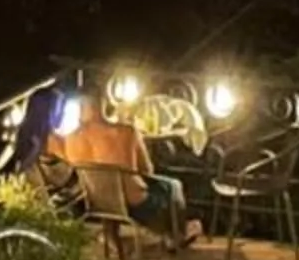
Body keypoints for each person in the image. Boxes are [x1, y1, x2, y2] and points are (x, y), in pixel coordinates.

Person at [57, 87, 198, 248]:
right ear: (102, 104)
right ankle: (177, 235)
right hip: (136, 206)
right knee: (174, 186)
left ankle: (111, 235)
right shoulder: (126, 132)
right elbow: (147, 170)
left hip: (96, 203)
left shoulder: (70, 139)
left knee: (108, 189)